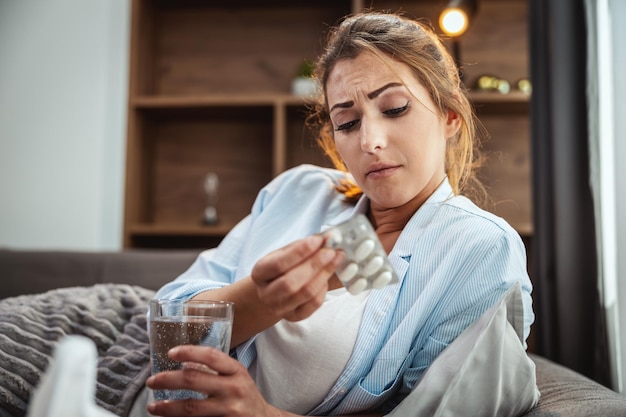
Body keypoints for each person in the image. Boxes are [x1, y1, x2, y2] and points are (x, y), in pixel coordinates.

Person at [145, 11, 535, 417]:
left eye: (395, 108)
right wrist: (261, 300)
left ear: (450, 115)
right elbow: (164, 325)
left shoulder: (479, 247)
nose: (370, 142)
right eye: (347, 122)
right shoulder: (299, 191)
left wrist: (261, 414)